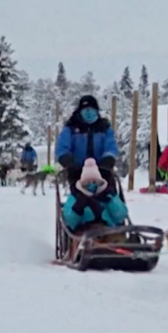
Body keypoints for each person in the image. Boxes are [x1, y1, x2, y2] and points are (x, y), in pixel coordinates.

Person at [56, 95, 127, 232]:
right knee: (77, 199)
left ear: (97, 110)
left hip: (102, 172)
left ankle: (115, 227)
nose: (88, 112)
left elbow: (110, 146)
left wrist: (108, 159)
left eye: (91, 109)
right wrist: (69, 162)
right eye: (85, 109)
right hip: (77, 173)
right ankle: (78, 225)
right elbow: (62, 148)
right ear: (79, 111)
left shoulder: (104, 127)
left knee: (111, 197)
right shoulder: (71, 128)